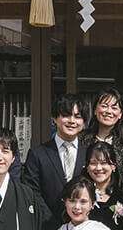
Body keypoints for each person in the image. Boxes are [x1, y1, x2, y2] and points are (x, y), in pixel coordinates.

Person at [23, 94, 87, 222]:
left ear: (83, 122)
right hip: (47, 228)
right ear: (55, 119)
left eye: (77, 116)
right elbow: (32, 192)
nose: (72, 121)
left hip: (83, 229)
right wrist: (51, 222)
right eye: (66, 115)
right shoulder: (37, 154)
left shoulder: (88, 154)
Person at [83, 140, 123, 230]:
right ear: (87, 167)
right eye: (93, 163)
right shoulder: (80, 196)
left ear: (113, 166)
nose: (98, 168)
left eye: (104, 163)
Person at [81, 87, 123, 179]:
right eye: (104, 106)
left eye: (114, 108)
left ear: (120, 114)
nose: (109, 111)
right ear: (95, 110)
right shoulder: (81, 140)